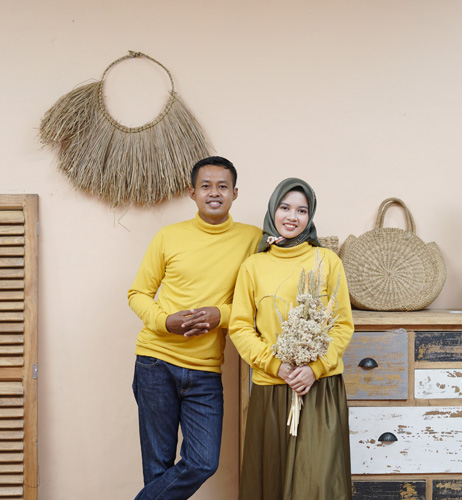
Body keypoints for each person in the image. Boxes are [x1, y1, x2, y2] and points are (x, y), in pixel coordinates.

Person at [128, 156, 261, 500]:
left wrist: (221, 315)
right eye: (205, 186)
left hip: (205, 370)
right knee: (158, 467)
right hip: (155, 362)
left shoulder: (252, 239)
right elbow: (138, 293)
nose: (214, 193)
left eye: (222, 186)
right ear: (192, 193)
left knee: (202, 462)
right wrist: (164, 321)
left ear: (234, 193)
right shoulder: (168, 236)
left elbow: (258, 299)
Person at [229, 178, 354, 500]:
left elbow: (342, 325)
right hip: (271, 389)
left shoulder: (327, 261)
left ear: (310, 217)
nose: (292, 216)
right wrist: (277, 366)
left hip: (319, 388)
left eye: (302, 210)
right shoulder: (253, 266)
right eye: (285, 207)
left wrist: (315, 369)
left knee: (318, 484)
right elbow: (240, 327)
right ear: (273, 210)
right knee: (271, 482)